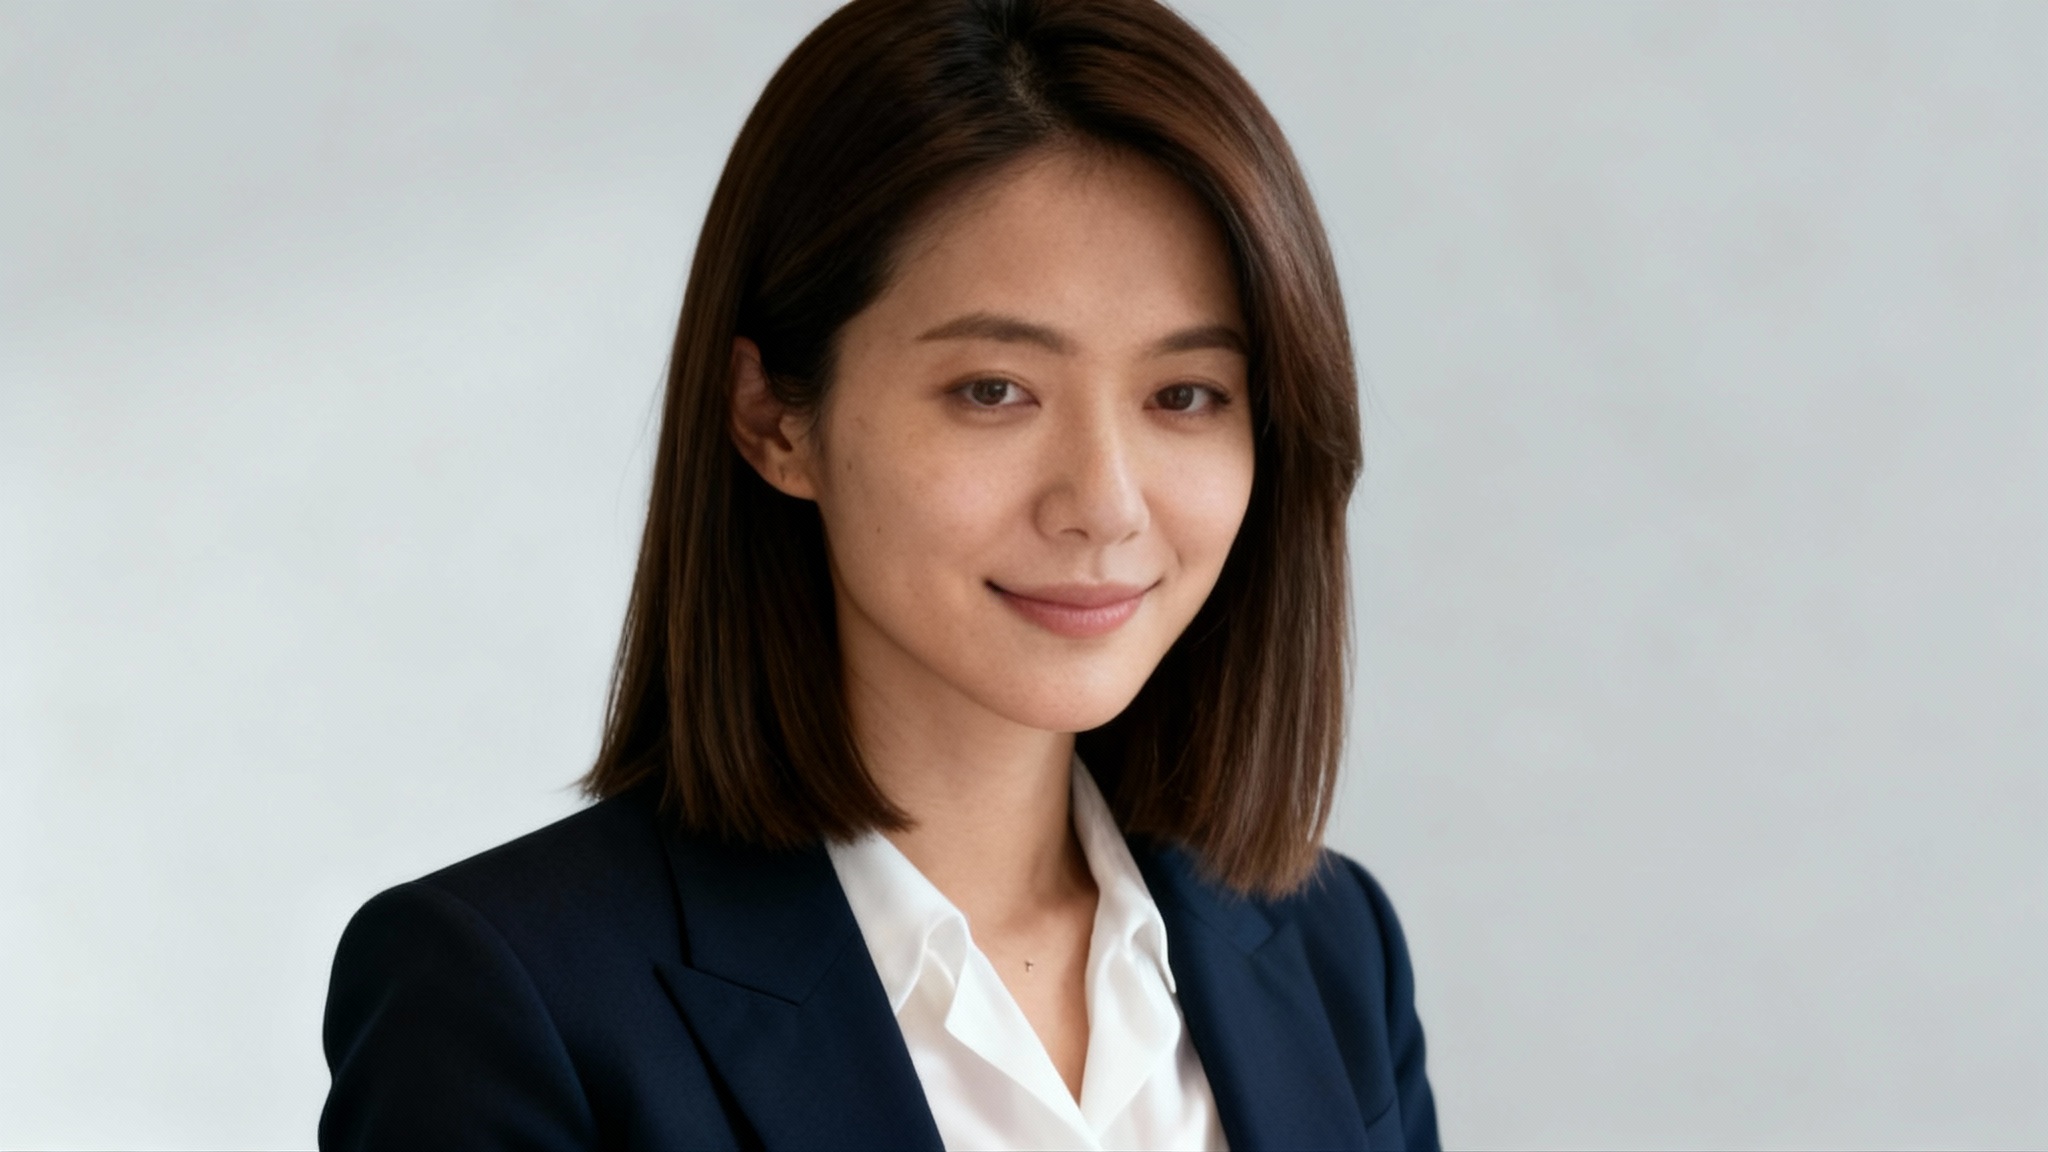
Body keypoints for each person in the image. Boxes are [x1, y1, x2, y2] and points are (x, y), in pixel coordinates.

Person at [319, 0, 1437, 1148]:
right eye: (992, 390)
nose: (1103, 505)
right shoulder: (508, 999)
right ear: (774, 419)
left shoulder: (1328, 948)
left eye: (1184, 396)